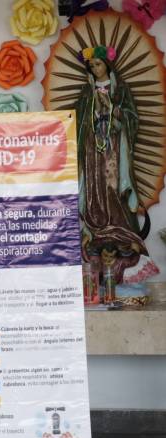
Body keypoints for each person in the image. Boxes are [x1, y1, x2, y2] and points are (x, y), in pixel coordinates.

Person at [74, 45, 156, 284]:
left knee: (113, 188)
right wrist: (94, 112)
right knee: (94, 189)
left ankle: (120, 234)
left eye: (98, 64)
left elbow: (132, 118)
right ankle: (96, 233)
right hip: (93, 150)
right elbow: (79, 122)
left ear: (107, 65)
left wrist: (115, 111)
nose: (95, 68)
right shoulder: (87, 92)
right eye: (91, 65)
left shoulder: (120, 89)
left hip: (114, 149)